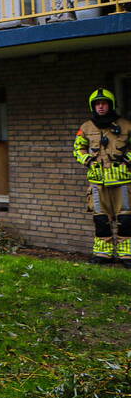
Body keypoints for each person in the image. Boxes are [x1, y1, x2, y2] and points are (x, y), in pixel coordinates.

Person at [73, 87, 131, 267]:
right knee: (101, 220)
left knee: (126, 220)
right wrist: (88, 160)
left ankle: (127, 255)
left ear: (111, 105)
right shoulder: (86, 127)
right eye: (97, 104)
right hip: (98, 183)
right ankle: (102, 255)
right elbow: (77, 148)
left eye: (104, 103)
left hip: (122, 182)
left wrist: (128, 160)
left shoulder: (126, 125)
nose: (100, 107)